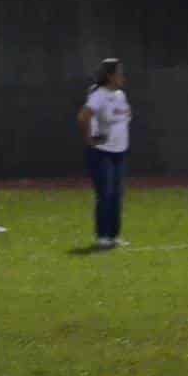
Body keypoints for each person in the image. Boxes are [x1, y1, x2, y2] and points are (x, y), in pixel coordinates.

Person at [77, 58, 131, 249]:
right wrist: (89, 139)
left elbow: (125, 116)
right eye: (119, 72)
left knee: (117, 194)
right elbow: (83, 116)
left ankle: (114, 236)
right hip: (102, 153)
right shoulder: (99, 95)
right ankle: (102, 237)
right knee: (105, 194)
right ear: (109, 76)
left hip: (119, 152)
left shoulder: (120, 95)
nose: (122, 76)